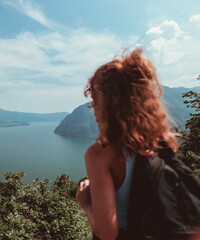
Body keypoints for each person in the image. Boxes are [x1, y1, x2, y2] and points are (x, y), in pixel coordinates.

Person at [75, 48, 178, 240]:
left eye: (95, 99)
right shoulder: (164, 144)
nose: (92, 107)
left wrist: (86, 203)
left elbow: (107, 232)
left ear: (110, 104)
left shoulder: (100, 154)